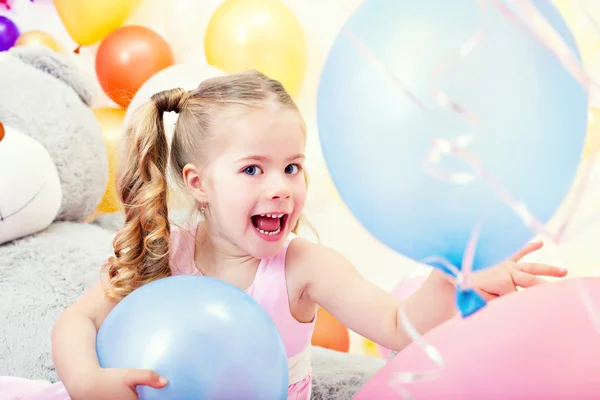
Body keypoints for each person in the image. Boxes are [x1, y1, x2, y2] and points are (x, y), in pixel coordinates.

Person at [50, 70, 567, 400]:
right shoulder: (169, 251)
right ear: (198, 184)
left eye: (292, 167)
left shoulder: (302, 266)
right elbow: (78, 318)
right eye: (253, 169)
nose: (280, 187)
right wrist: (87, 381)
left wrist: (457, 279)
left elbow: (394, 323)